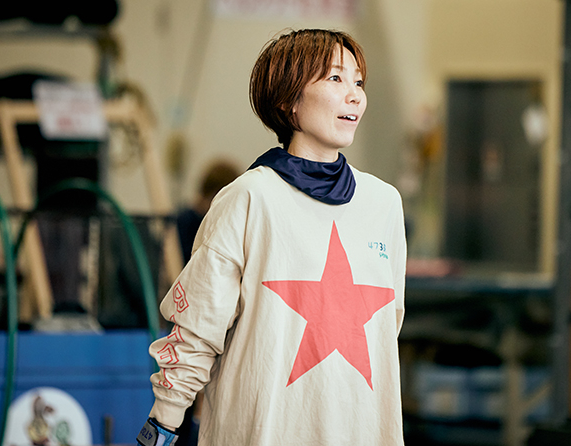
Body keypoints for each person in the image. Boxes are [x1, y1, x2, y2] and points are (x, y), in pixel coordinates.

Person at [137, 28, 407, 446]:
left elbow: (387, 327)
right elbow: (196, 328)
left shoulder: (383, 203)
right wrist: (164, 423)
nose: (354, 95)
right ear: (288, 100)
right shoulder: (249, 198)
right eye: (336, 78)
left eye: (358, 82)